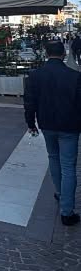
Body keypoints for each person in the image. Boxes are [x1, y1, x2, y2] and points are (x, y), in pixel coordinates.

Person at [24, 40, 81, 225]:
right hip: (70, 126)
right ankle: (67, 211)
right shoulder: (75, 76)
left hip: (47, 124)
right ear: (63, 54)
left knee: (53, 158)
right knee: (68, 166)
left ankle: (59, 192)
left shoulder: (35, 75)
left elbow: (29, 102)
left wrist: (30, 123)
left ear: (46, 54)